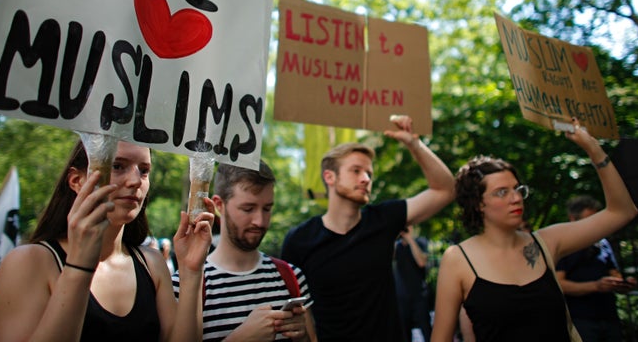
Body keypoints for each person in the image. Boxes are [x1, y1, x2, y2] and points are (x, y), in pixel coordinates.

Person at [431, 118, 638, 342]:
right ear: (478, 204)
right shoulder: (457, 260)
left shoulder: (547, 242)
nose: (516, 198)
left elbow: (622, 212)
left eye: (517, 189)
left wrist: (593, 148)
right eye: (502, 192)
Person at [0, 139, 214, 341]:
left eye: (144, 170)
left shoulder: (151, 264)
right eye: (117, 166)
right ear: (76, 180)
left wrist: (191, 272)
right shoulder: (29, 262)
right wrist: (78, 266)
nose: (135, 181)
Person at [281, 115, 455, 342]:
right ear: (329, 176)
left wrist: (414, 144)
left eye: (369, 174)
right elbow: (297, 309)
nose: (365, 178)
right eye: (356, 171)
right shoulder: (299, 240)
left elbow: (445, 190)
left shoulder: (383, 220)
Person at [174, 160, 316, 342]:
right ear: (219, 205)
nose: (260, 221)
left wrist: (302, 336)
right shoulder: (185, 286)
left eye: (267, 209)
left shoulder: (292, 277)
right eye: (248, 208)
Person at [556, 195, 637, 342]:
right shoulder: (564, 246)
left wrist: (623, 284)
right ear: (573, 219)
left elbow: (615, 274)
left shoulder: (603, 243)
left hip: (609, 317)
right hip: (581, 319)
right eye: (589, 219)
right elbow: (558, 283)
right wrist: (595, 286)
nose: (594, 225)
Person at [394, 224, 433, 342]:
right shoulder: (398, 247)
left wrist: (410, 238)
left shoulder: (420, 242)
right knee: (404, 333)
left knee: (426, 330)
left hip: (419, 296)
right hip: (402, 297)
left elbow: (421, 262)